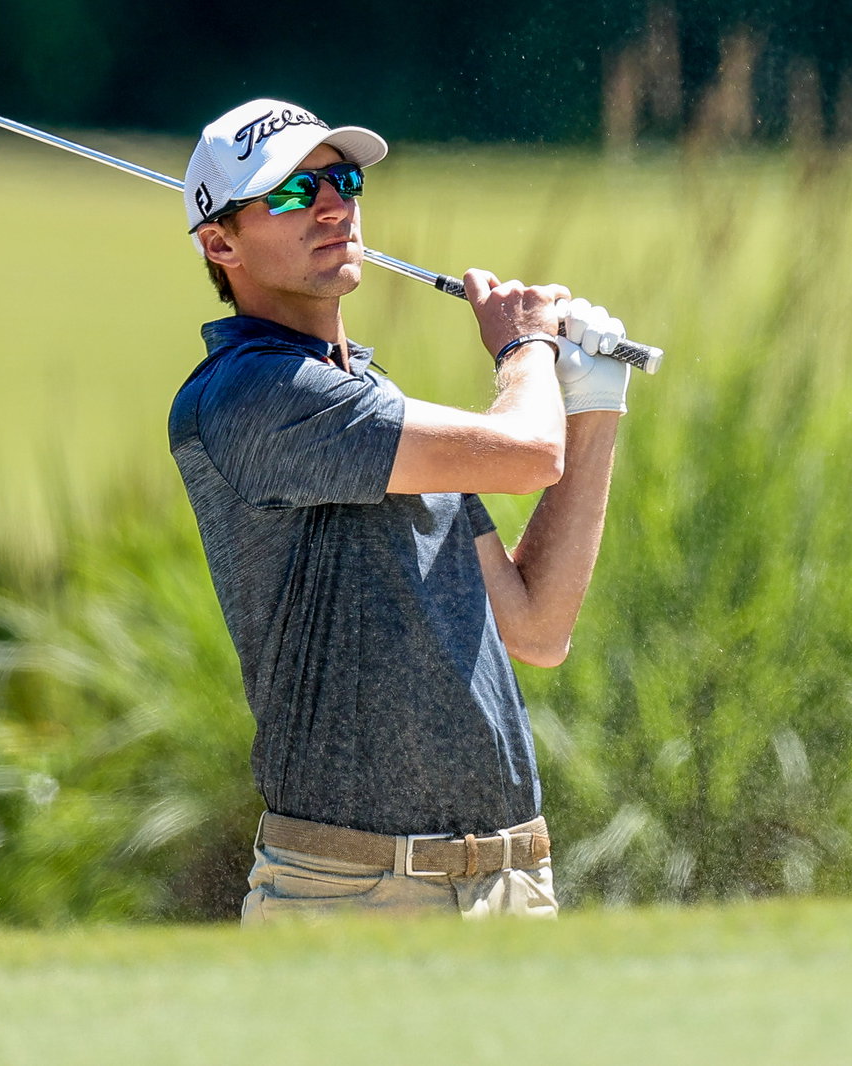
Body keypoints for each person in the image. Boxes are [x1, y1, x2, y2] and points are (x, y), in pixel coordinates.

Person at [168, 98, 632, 923]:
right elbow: (528, 452)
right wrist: (525, 347)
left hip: (510, 881)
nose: (331, 204)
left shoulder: (376, 403)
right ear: (219, 242)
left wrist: (594, 399)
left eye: (341, 181)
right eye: (287, 193)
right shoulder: (250, 395)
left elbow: (536, 626)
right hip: (347, 892)